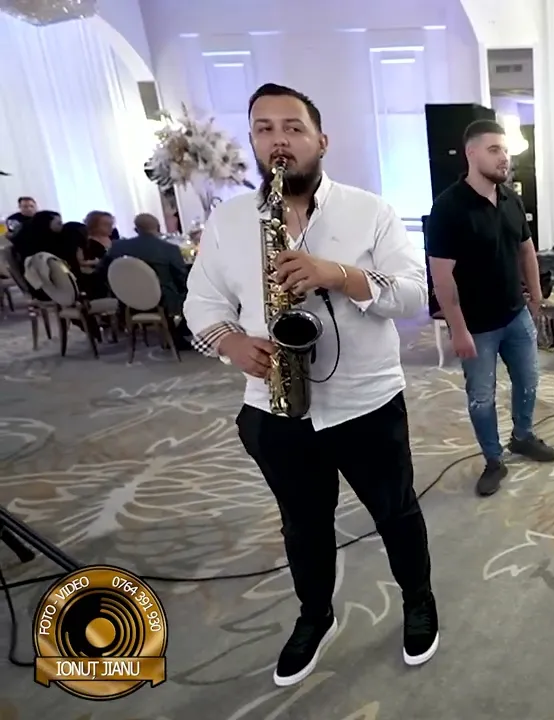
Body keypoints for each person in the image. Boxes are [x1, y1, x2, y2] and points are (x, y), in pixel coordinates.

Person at [184, 82, 439, 687]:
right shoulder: (228, 221)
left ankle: (418, 600)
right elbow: (201, 304)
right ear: (253, 141)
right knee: (303, 525)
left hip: (366, 401)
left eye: (293, 128)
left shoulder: (369, 211)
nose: (279, 141)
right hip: (274, 408)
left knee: (396, 511)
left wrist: (338, 274)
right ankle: (315, 615)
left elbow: (413, 295)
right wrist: (231, 343)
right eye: (264, 129)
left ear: (321, 140)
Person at [427, 119, 554, 497]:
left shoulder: (510, 198)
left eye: (506, 150)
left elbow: (526, 250)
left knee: (529, 381)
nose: (505, 158)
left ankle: (523, 436)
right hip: (477, 326)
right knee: (482, 398)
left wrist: (536, 298)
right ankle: (493, 459)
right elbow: (442, 278)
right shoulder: (448, 208)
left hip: (516, 315)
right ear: (471, 153)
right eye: (495, 149)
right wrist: (458, 329)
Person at [98, 213, 191, 345]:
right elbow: (181, 277)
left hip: (126, 300)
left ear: (136, 229)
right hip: (163, 300)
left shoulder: (117, 247)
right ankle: (179, 332)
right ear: (158, 228)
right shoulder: (169, 249)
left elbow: (102, 271)